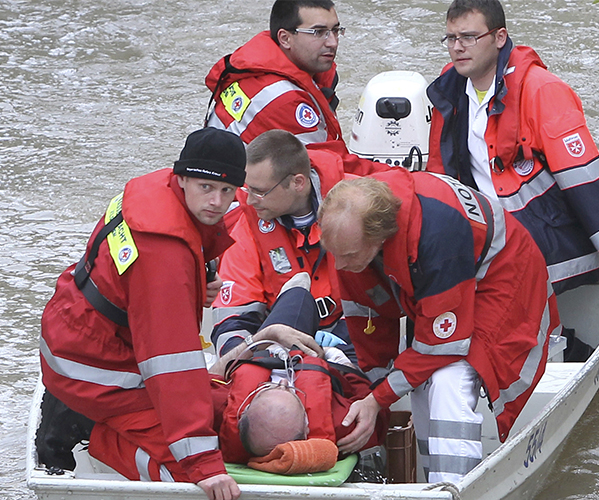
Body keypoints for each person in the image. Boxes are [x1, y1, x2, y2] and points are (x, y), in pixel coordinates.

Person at [39, 128, 247, 500]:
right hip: (93, 366)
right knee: (186, 471)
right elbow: (172, 366)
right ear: (182, 178)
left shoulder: (152, 189)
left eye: (227, 192)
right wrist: (204, 466)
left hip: (77, 332)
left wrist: (196, 279)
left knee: (214, 410)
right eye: (206, 188)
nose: (217, 202)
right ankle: (92, 433)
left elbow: (122, 275)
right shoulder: (164, 256)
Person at [317, 171, 561, 483]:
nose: (338, 266)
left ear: (379, 238)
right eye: (333, 255)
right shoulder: (350, 236)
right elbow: (367, 319)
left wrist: (378, 400)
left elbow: (442, 345)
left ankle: (453, 487)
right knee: (418, 382)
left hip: (503, 275)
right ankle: (432, 480)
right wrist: (374, 394)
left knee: (450, 379)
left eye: (347, 257)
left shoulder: (436, 232)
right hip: (444, 273)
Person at [426, 0, 599, 298]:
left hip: (551, 244)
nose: (458, 47)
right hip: (487, 237)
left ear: (500, 37)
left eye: (469, 37)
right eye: (451, 38)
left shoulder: (542, 90)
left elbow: (584, 179)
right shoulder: (449, 91)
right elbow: (440, 175)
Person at [89, 280, 389, 477]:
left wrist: (265, 338)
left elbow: (213, 374)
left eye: (269, 387)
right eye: (289, 389)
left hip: (263, 349)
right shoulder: (341, 423)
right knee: (311, 299)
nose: (284, 381)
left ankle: (271, 311)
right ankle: (296, 298)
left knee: (293, 298)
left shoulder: (215, 407)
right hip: (328, 359)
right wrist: (329, 356)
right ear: (308, 426)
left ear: (242, 406)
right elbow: (370, 396)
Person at [211, 129, 356, 362]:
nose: (248, 200)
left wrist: (342, 340)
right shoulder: (248, 225)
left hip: (349, 335)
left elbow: (377, 298)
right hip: (280, 340)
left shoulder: (355, 207)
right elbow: (234, 313)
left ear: (298, 182)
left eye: (259, 192)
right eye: (248, 189)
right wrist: (241, 356)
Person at [204, 0, 344, 147]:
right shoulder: (282, 97)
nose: (333, 42)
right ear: (285, 38)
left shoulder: (259, 67)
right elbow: (326, 165)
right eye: (318, 32)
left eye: (335, 30)